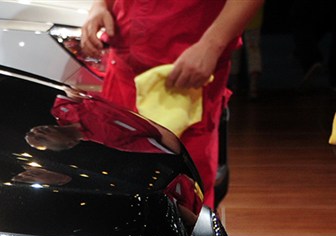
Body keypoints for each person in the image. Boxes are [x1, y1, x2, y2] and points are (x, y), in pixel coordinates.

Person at [81, 0, 264, 208]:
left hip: (182, 79)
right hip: (123, 69)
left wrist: (212, 44)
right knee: (117, 191)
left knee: (183, 202)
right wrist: (100, 6)